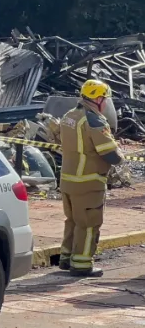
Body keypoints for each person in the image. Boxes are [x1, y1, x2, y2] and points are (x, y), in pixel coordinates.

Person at [58, 79, 124, 278]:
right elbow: (110, 154)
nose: (106, 104)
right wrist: (120, 154)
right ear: (97, 99)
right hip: (87, 181)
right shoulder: (94, 120)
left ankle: (66, 258)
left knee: (73, 221)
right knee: (88, 224)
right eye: (105, 99)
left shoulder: (70, 115)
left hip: (68, 179)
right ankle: (82, 265)